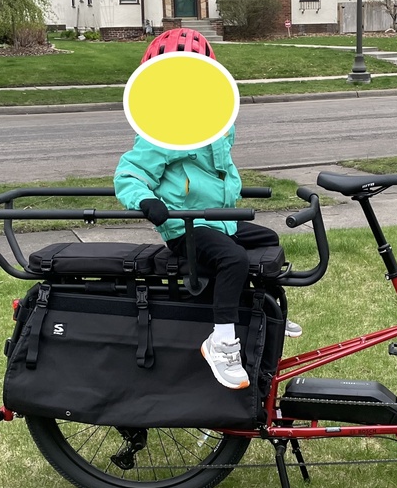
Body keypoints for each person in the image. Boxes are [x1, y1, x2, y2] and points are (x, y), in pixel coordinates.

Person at [114, 27, 300, 390]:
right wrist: (145, 200)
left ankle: (260, 307)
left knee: (266, 239)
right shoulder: (161, 132)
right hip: (185, 227)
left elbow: (217, 171)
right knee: (233, 260)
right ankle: (221, 342)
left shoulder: (213, 125)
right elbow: (129, 174)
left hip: (218, 221)